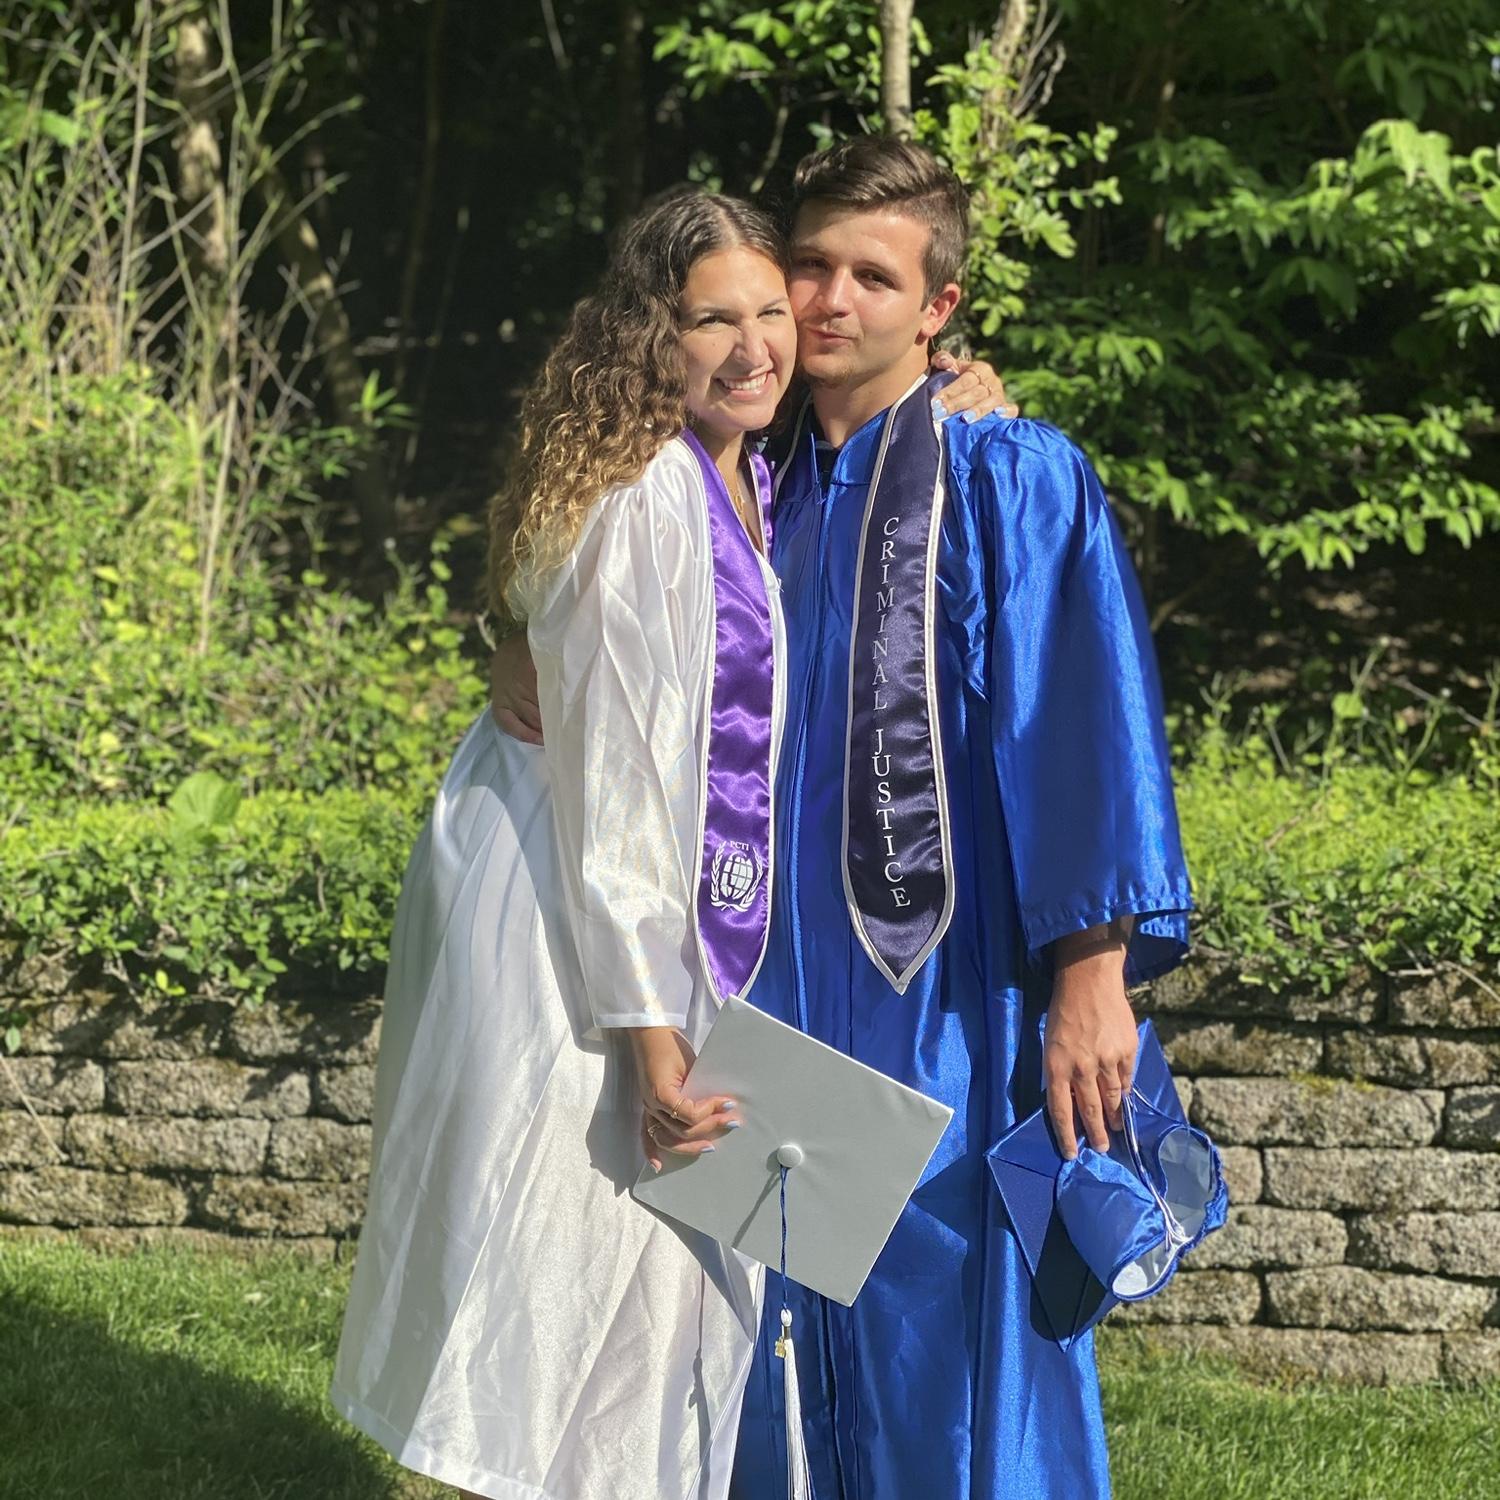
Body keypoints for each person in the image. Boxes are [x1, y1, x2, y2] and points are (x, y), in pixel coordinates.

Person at [492, 138, 1193, 1500]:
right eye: (806, 263)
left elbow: (1080, 727)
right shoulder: (738, 479)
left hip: (946, 995)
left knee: (951, 1333)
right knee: (757, 1344)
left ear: (938, 308)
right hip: (759, 987)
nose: (825, 299)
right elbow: (594, 595)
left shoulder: (1006, 474)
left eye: (872, 275)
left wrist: (1093, 977)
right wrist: (506, 628)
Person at [330, 186, 1006, 1500]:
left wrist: (964, 390)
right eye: (714, 319)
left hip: (629, 903)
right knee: (578, 1266)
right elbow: (625, 792)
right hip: (575, 918)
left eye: (771, 309)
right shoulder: (647, 495)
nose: (756, 344)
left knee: (664, 1276)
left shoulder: (745, 470)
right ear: (654, 335)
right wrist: (651, 1036)